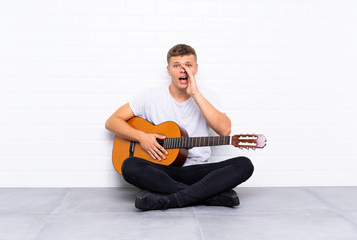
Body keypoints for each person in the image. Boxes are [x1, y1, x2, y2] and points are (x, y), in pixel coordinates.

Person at [105, 44, 254, 211]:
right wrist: (141, 137)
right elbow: (112, 122)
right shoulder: (150, 96)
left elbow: (225, 131)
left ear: (196, 69)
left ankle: (169, 199)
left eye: (188, 65)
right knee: (129, 166)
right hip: (164, 172)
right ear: (168, 70)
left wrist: (195, 94)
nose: (183, 70)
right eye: (177, 66)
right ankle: (209, 196)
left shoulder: (208, 96)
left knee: (244, 164)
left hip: (200, 171)